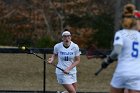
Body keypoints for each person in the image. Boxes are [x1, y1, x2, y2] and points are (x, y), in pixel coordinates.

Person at [100, 3, 140, 93]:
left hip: (122, 72)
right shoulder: (139, 35)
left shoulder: (121, 33)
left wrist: (107, 60)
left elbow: (116, 51)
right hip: (137, 74)